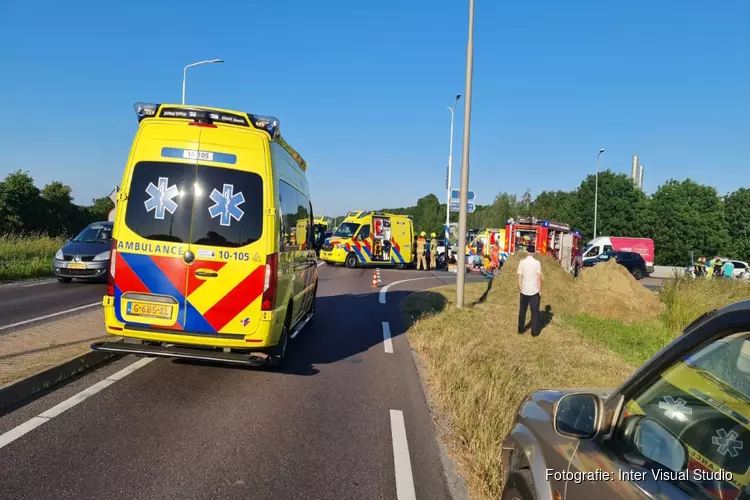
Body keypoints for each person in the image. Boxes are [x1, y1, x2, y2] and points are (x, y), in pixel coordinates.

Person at [517, 245, 542, 336]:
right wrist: (539, 290)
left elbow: (520, 276)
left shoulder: (522, 262)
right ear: (534, 252)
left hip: (524, 290)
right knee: (534, 312)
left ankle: (520, 329)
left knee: (522, 310)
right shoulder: (537, 263)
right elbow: (538, 278)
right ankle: (534, 332)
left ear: (527, 252)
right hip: (534, 290)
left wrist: (520, 288)